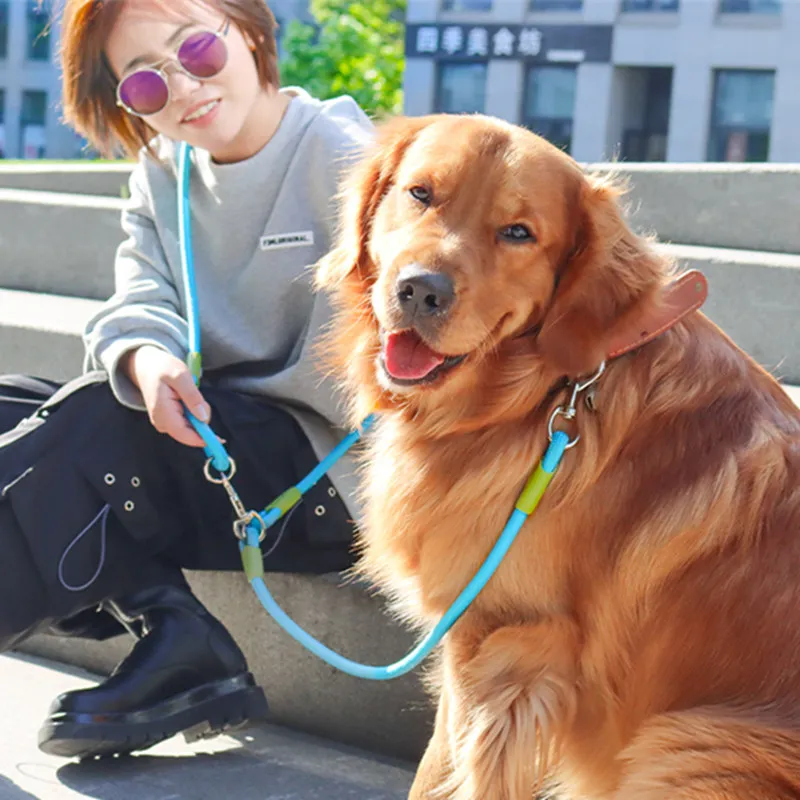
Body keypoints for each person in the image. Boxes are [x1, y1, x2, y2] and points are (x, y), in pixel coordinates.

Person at [0, 0, 373, 759]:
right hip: (215, 446)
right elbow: (140, 300)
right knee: (15, 400)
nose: (183, 87)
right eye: (143, 83)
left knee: (94, 428)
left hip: (331, 474)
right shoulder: (163, 172)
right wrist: (146, 357)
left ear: (252, 30)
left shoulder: (349, 159)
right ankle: (174, 629)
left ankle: (178, 639)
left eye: (197, 49)